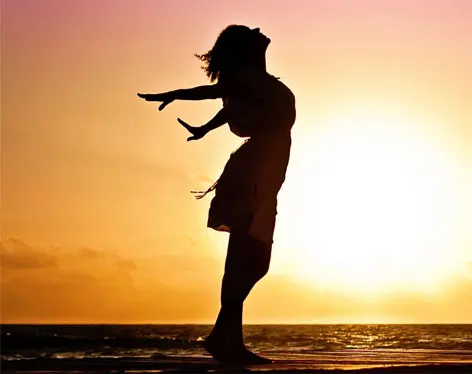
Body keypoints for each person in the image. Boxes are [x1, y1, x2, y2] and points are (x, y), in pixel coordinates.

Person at [138, 25, 296, 366]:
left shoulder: (258, 81)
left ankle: (223, 338)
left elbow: (230, 106)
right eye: (251, 31)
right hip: (252, 174)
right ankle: (226, 340)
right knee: (248, 259)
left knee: (250, 261)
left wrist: (205, 129)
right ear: (246, 48)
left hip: (262, 174)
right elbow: (210, 93)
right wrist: (175, 94)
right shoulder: (248, 78)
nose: (259, 29)